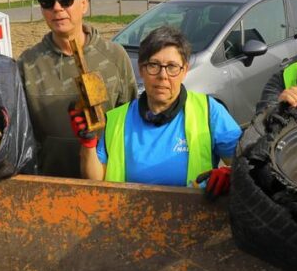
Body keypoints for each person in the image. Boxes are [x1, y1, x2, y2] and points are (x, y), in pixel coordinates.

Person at [76, 26, 242, 196]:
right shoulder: (116, 120)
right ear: (141, 69)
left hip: (191, 212)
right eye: (154, 65)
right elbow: (95, 181)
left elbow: (246, 165)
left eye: (172, 66)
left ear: (184, 70)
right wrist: (88, 144)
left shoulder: (208, 111)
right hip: (127, 211)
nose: (163, 75)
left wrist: (232, 174)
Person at [18, 0, 137, 178]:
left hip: (106, 182)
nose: (57, 8)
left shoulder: (115, 57)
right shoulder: (27, 64)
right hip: (49, 183)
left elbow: (130, 124)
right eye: (47, 1)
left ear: (84, 4)